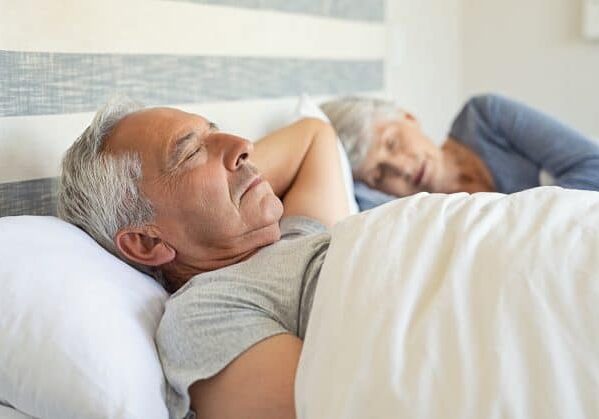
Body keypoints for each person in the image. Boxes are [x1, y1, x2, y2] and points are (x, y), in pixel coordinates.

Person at [57, 97, 350, 419]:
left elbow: (314, 136)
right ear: (147, 241)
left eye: (215, 132)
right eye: (191, 152)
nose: (245, 145)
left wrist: (230, 176)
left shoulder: (298, 234)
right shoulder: (207, 313)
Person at [320, 94, 599, 210]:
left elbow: (594, 167)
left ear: (408, 117)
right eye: (379, 175)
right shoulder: (418, 216)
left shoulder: (485, 116)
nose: (402, 169)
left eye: (392, 143)